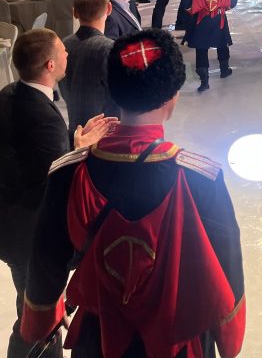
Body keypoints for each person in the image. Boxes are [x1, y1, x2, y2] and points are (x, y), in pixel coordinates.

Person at [21, 29, 246, 358]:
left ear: (112, 90)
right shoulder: (201, 179)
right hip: (178, 339)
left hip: (99, 337)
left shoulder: (69, 173)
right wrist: (229, 339)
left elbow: (46, 260)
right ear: (172, 97)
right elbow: (227, 269)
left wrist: (40, 321)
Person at [0, 29, 115, 358]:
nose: (68, 54)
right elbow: (55, 183)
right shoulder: (44, 118)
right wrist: (81, 150)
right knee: (39, 319)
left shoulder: (9, 93)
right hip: (31, 237)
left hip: (10, 229)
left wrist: (72, 146)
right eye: (62, 51)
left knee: (32, 310)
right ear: (50, 65)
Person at [60, 0, 120, 144]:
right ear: (109, 8)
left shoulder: (63, 46)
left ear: (75, 12)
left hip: (76, 133)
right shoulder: (111, 49)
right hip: (107, 136)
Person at [186, 0, 238, 93]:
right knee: (222, 43)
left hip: (201, 18)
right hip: (219, 16)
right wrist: (222, 8)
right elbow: (233, 0)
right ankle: (224, 70)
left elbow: (187, 0)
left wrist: (192, 11)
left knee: (201, 47)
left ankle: (204, 81)